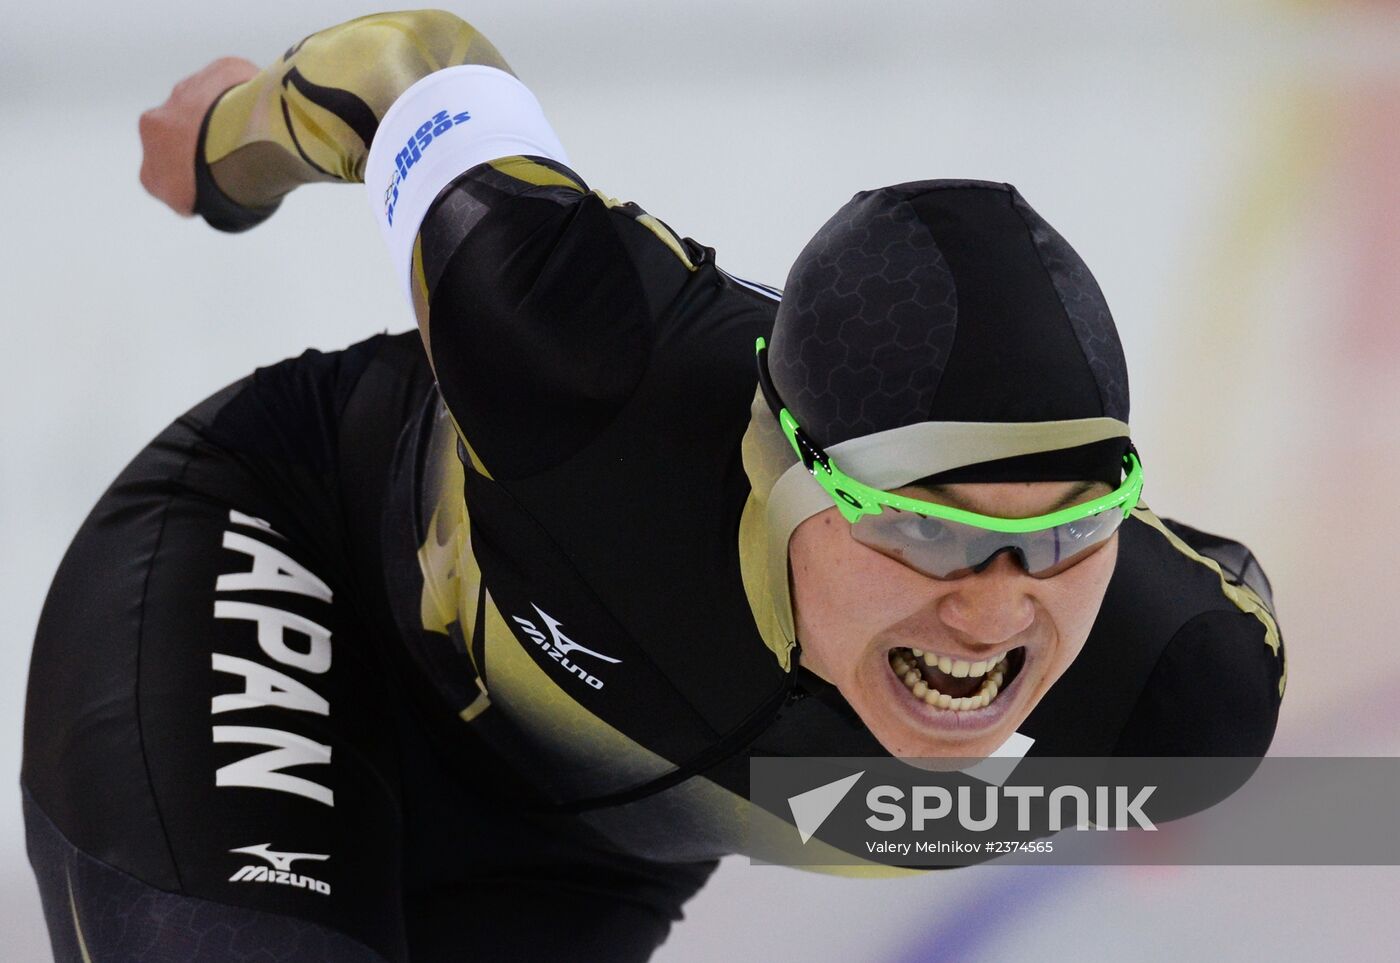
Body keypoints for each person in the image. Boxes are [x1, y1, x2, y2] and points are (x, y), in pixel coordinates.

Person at [22, 9, 1286, 961]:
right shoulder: (583, 360)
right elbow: (404, 67)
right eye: (928, 533)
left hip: (571, 858)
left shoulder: (1171, 689)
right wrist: (219, 143)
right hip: (294, 569)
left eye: (1063, 536)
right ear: (778, 465)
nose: (998, 613)